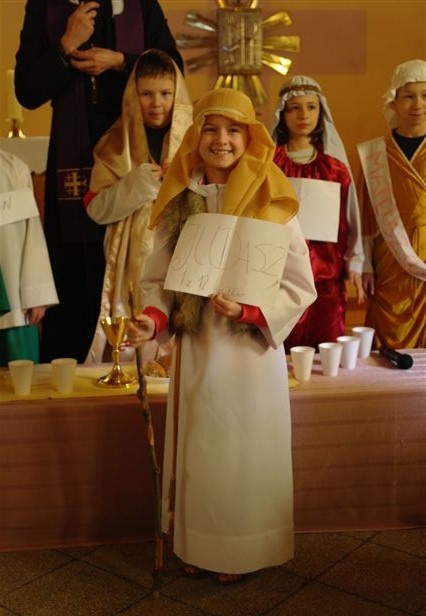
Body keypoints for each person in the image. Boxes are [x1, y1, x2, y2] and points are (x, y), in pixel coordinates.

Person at [127, 88, 317, 584]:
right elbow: (158, 277)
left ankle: (241, 549)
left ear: (251, 138)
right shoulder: (181, 199)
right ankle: (198, 543)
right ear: (196, 136)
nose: (221, 139)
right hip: (198, 346)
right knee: (202, 449)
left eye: (234, 130)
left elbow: (300, 284)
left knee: (241, 450)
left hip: (248, 351)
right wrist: (153, 318)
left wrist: (251, 310)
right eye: (210, 128)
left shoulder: (273, 198)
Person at [14, 0, 183, 363]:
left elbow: (172, 67)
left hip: (133, 149)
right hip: (72, 156)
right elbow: (26, 91)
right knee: (75, 271)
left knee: (141, 259)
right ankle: (72, 368)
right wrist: (65, 45)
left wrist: (120, 61)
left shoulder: (140, 4)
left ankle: (138, 361)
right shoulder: (44, 6)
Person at [83, 49, 193, 362]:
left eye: (165, 93)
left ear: (178, 95)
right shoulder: (114, 143)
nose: (156, 103)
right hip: (131, 262)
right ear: (133, 96)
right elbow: (96, 209)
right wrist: (139, 183)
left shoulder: (197, 142)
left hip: (183, 253)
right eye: (146, 94)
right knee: (136, 333)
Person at [270, 75, 365, 352]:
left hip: (326, 282)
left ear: (321, 111)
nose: (304, 115)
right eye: (295, 108)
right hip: (280, 280)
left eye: (311, 107)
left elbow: (352, 218)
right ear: (283, 114)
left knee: (325, 356)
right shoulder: (270, 165)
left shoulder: (334, 168)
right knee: (281, 354)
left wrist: (355, 262)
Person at [357, 59, 426, 349]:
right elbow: (365, 216)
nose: (418, 104)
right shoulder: (375, 153)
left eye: (425, 95)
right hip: (390, 260)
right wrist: (365, 265)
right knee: (387, 338)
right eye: (408, 96)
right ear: (393, 102)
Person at [0, 150, 58, 366]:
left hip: (13, 304)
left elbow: (31, 231)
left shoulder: (13, 168)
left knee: (20, 378)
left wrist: (36, 292)